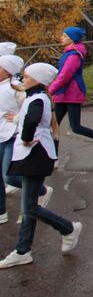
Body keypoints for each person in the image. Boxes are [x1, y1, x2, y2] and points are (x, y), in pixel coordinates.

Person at [0, 63, 83, 269]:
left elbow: (33, 120)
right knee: (29, 205)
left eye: (27, 76)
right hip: (32, 154)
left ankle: (68, 228)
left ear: (38, 80)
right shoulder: (34, 96)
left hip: (36, 155)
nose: (23, 79)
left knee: (29, 206)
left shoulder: (38, 98)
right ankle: (23, 250)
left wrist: (27, 137)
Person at [48, 27, 93, 159]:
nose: (61, 38)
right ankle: (52, 157)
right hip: (62, 93)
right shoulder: (68, 52)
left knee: (76, 127)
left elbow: (65, 76)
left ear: (72, 39)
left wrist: (49, 90)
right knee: (53, 126)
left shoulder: (74, 55)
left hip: (72, 93)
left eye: (65, 36)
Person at [0, 54, 25, 224]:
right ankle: (1, 211)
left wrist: (17, 117)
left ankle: (40, 190)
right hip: (0, 133)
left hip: (12, 135)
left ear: (8, 71)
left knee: (9, 175)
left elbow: (30, 109)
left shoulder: (16, 87)